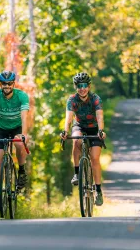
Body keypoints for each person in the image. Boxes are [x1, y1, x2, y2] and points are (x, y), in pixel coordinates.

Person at [0, 70, 30, 212]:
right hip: (2, 129)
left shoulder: (21, 96)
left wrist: (24, 134)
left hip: (17, 128)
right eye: (3, 83)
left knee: (19, 144)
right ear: (0, 84)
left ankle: (21, 171)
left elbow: (25, 116)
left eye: (9, 83)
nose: (6, 86)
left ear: (13, 84)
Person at [60, 72, 106, 206]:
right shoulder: (72, 100)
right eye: (79, 86)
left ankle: (98, 190)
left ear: (89, 86)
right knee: (76, 140)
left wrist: (101, 131)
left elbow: (100, 117)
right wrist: (65, 131)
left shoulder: (96, 99)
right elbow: (68, 118)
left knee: (95, 157)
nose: (82, 88)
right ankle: (77, 173)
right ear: (76, 87)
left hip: (94, 128)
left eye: (85, 85)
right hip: (79, 126)